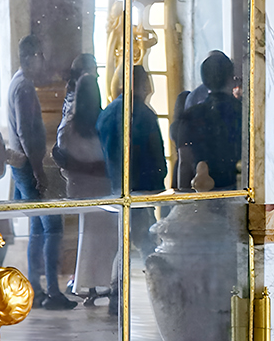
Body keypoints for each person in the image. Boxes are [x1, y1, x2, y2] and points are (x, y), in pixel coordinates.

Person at [4, 34, 73, 309]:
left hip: (22, 163)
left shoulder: (19, 83)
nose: (43, 61)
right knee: (51, 226)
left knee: (37, 228)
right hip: (27, 165)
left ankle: (36, 287)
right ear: (32, 57)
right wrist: (37, 170)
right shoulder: (23, 87)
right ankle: (51, 290)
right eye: (40, 55)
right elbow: (24, 131)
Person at [98, 65, 167, 315]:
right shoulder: (144, 114)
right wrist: (159, 182)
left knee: (123, 243)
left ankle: (117, 292)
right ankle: (160, 289)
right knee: (146, 241)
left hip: (114, 188)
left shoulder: (107, 114)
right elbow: (156, 155)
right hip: (140, 188)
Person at [55, 72, 116, 304]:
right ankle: (107, 282)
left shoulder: (71, 126)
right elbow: (109, 153)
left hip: (80, 186)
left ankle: (87, 286)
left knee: (86, 238)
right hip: (103, 185)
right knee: (107, 240)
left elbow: (61, 147)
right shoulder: (103, 122)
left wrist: (79, 166)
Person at [172, 51, 243, 192]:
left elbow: (185, 163)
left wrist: (184, 201)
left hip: (201, 198)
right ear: (231, 77)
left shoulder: (191, 115)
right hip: (238, 193)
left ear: (204, 80)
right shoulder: (242, 112)